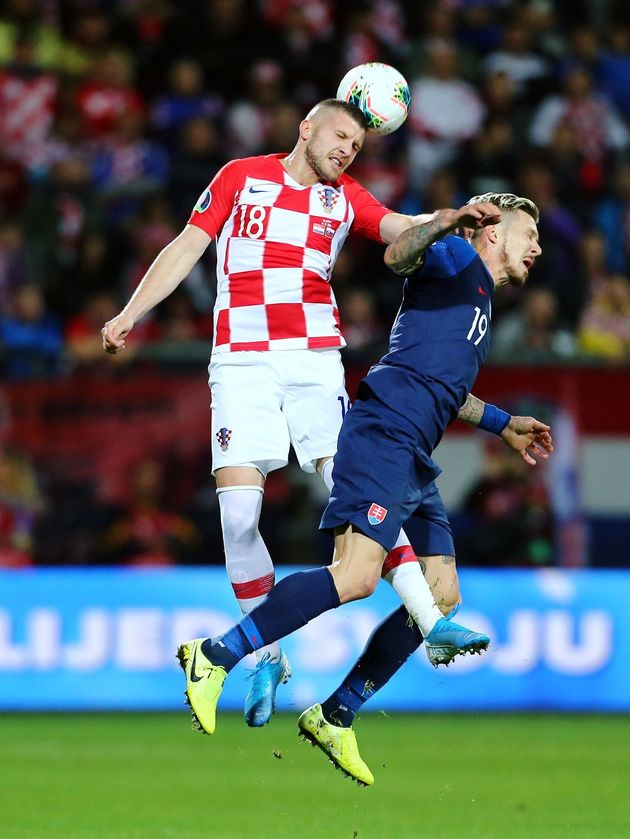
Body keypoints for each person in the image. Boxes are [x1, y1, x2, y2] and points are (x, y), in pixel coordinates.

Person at [102, 98, 489, 729]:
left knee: (358, 489)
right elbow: (185, 247)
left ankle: (430, 621)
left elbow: (399, 229)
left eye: (356, 146)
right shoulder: (239, 176)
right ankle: (268, 659)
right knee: (237, 519)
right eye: (338, 137)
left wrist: (445, 219)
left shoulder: (347, 200)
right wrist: (130, 314)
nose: (345, 150)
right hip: (240, 363)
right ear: (305, 128)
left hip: (313, 360)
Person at [176, 192, 552, 784]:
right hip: (382, 434)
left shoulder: (478, 300)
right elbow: (398, 255)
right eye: (528, 233)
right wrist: (445, 220)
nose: (536, 248)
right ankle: (217, 653)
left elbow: (442, 388)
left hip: (413, 450)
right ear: (494, 234)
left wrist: (504, 424)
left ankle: (337, 713)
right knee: (354, 577)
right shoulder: (454, 255)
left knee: (442, 594)